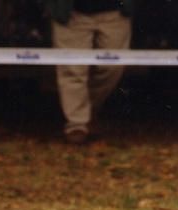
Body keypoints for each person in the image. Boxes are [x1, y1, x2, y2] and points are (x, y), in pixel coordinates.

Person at [48, 0, 136, 144]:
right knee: (72, 70)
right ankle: (77, 124)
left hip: (115, 13)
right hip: (71, 14)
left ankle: (88, 111)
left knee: (112, 68)